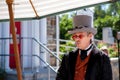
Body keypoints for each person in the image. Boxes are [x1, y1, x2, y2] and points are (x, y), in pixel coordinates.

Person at [56, 15, 112, 80]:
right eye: (74, 36)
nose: (77, 39)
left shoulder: (103, 59)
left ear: (90, 35)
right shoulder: (67, 58)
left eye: (80, 36)